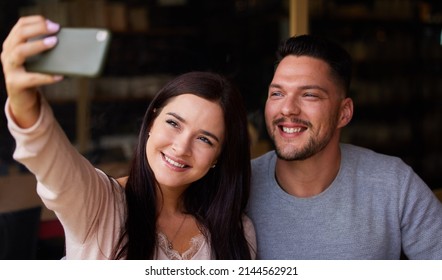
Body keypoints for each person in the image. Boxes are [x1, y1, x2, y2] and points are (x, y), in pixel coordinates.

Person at [1, 15, 256, 260]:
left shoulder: (235, 231)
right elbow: (53, 163)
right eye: (173, 123)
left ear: (219, 156)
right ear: (151, 122)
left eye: (205, 140)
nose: (181, 147)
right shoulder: (101, 204)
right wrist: (24, 101)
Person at [247, 34, 442, 259]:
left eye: (309, 95)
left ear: (344, 113)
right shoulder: (238, 186)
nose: (287, 108)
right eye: (277, 94)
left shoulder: (393, 183)